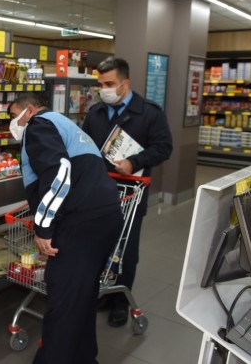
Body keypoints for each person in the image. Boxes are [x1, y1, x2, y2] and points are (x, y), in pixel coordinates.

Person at [8, 92, 123, 364]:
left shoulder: (37, 125)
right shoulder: (63, 122)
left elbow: (60, 173)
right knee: (82, 298)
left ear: (30, 110)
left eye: (14, 116)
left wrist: (43, 227)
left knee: (63, 300)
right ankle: (84, 358)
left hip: (81, 222)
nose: (13, 123)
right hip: (105, 216)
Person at [81, 56, 173, 328]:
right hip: (98, 192)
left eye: (109, 83)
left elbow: (164, 147)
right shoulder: (95, 113)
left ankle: (120, 301)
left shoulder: (149, 112)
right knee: (99, 245)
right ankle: (103, 292)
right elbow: (85, 145)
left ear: (125, 83)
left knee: (126, 250)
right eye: (100, 84)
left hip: (132, 192)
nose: (104, 89)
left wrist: (135, 162)